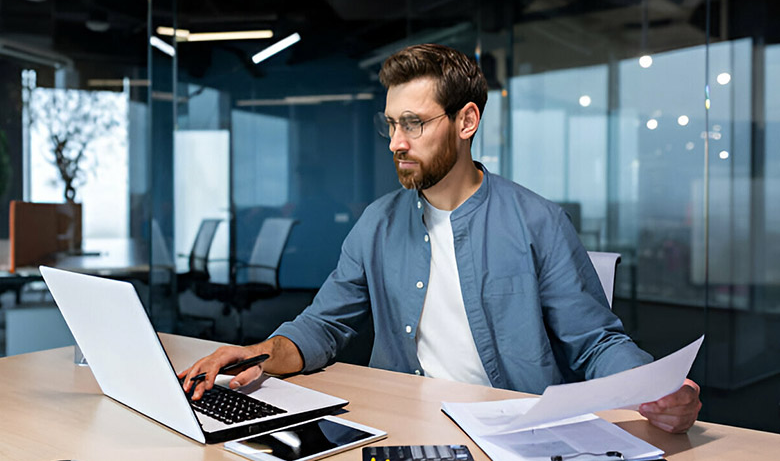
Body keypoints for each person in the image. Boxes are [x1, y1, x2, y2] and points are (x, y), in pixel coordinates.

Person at [180, 43, 701, 434]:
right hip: (401, 423)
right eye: (390, 125)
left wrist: (657, 390)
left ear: (466, 120)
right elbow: (323, 325)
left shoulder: (538, 220)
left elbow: (595, 343)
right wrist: (259, 354)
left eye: (413, 124)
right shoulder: (376, 224)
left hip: (513, 431)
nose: (397, 143)